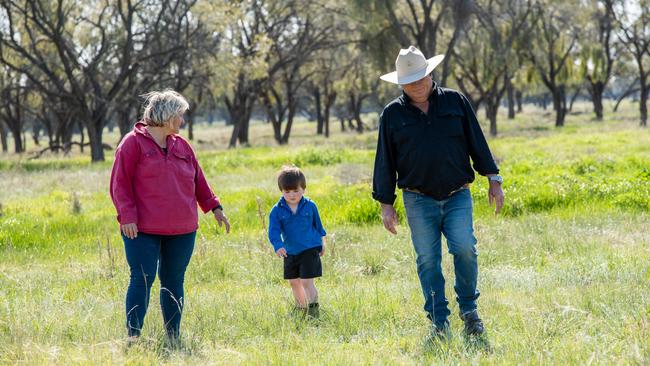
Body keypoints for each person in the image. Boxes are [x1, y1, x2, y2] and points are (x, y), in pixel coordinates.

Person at [372, 46, 505, 337]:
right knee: (427, 260)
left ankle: (469, 310)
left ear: (431, 74)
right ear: (400, 83)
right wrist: (386, 203)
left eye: (421, 77)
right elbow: (385, 160)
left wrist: (493, 178)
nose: (417, 84)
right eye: (409, 81)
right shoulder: (392, 115)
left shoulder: (456, 102)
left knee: (465, 249)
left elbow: (476, 141)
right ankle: (438, 320)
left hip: (458, 194)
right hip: (417, 199)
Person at [110, 89, 231, 343]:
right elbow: (119, 184)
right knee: (141, 279)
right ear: (166, 116)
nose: (182, 122)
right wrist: (127, 216)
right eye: (179, 116)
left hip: (183, 230)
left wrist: (215, 208)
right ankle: (133, 337)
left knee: (173, 281)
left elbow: (199, 180)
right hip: (141, 230)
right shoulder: (132, 143)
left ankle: (173, 336)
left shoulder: (183, 146)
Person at [268, 166, 326, 317]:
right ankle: (301, 308)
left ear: (303, 189)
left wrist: (322, 242)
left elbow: (318, 226)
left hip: (309, 248)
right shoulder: (277, 210)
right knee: (294, 282)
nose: (292, 195)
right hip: (290, 251)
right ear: (281, 191)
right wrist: (278, 245)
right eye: (287, 192)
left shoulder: (310, 206)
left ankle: (313, 312)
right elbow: (273, 230)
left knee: (307, 281)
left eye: (296, 191)